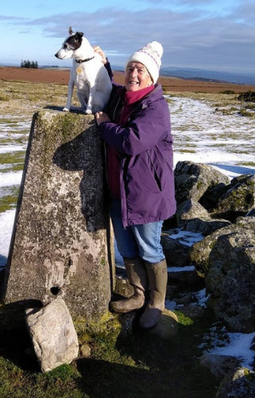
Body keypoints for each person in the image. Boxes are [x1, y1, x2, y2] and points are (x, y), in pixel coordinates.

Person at [94, 41, 176, 330]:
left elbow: (132, 142)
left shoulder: (155, 107)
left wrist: (104, 125)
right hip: (119, 190)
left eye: (140, 69)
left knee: (149, 249)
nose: (134, 74)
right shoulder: (123, 98)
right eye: (130, 68)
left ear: (152, 77)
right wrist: (103, 65)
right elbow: (112, 88)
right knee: (127, 246)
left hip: (147, 194)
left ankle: (157, 303)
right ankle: (138, 294)